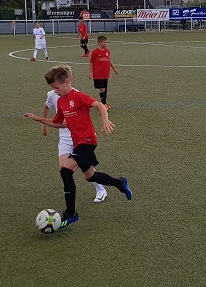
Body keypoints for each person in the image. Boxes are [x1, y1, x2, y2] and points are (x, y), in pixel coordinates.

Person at [23, 65, 133, 227]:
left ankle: (71, 214)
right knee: (91, 176)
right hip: (77, 143)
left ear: (68, 81)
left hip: (87, 141)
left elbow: (99, 105)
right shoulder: (61, 101)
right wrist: (39, 119)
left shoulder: (78, 96)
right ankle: (120, 183)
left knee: (65, 171)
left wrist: (105, 120)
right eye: (53, 89)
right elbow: (57, 123)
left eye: (57, 87)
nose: (55, 91)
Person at [42, 88, 110, 202]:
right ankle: (71, 204)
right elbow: (46, 107)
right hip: (64, 138)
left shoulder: (76, 94)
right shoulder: (51, 94)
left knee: (80, 165)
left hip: (79, 137)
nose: (56, 89)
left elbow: (90, 108)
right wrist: (44, 125)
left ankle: (100, 189)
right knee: (64, 167)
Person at [88, 35, 118, 109]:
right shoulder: (95, 52)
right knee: (102, 89)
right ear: (100, 42)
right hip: (98, 74)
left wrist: (114, 69)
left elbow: (109, 60)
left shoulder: (107, 51)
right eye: (105, 42)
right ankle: (103, 104)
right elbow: (91, 62)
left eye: (106, 42)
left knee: (105, 89)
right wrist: (90, 72)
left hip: (105, 73)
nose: (106, 44)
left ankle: (104, 103)